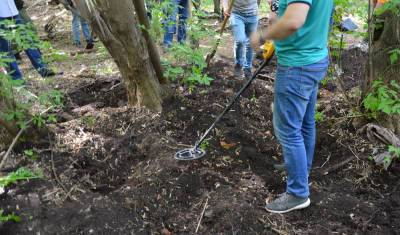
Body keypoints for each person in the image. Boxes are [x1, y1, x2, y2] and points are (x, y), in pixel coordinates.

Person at [251, 0, 334, 213]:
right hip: (314, 57)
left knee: (288, 130)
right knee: (305, 123)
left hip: (298, 64)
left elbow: (294, 21)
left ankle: (298, 193)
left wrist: (263, 35)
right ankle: (300, 170)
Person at [0, 0, 57, 80]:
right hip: (1, 15)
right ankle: (17, 79)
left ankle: (43, 69)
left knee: (28, 41)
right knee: (6, 49)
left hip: (13, 11)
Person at [222, 0, 258, 79]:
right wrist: (225, 8)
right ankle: (238, 64)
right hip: (236, 14)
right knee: (240, 40)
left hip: (253, 15)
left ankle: (247, 67)